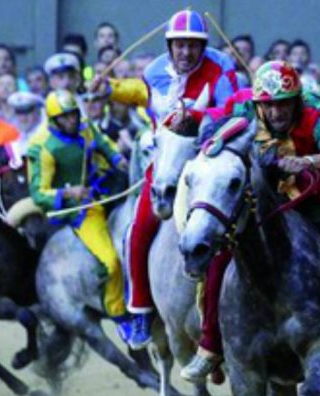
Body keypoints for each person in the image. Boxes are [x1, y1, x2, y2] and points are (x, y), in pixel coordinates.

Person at [180, 60, 320, 384]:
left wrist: (307, 161)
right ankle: (209, 345)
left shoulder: (313, 118)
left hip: (311, 203)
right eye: (269, 105)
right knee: (219, 257)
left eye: (283, 104)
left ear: (296, 101)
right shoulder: (245, 117)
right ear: (259, 105)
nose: (277, 112)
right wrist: (191, 120)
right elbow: (212, 124)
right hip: (258, 208)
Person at [90, 9, 238, 349]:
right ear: (169, 46)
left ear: (202, 47)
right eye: (179, 46)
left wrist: (198, 116)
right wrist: (107, 87)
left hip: (207, 164)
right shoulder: (155, 71)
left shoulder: (221, 68)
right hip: (164, 165)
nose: (186, 53)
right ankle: (140, 309)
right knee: (137, 231)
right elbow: (136, 92)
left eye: (192, 46)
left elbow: (231, 107)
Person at [27, 90, 132, 336]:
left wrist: (118, 159)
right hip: (83, 209)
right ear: (53, 120)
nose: (72, 120)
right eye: (65, 117)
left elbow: (104, 144)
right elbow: (39, 194)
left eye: (74, 114)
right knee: (112, 263)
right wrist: (69, 193)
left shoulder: (86, 127)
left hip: (108, 189)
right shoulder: (41, 147)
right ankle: (119, 315)